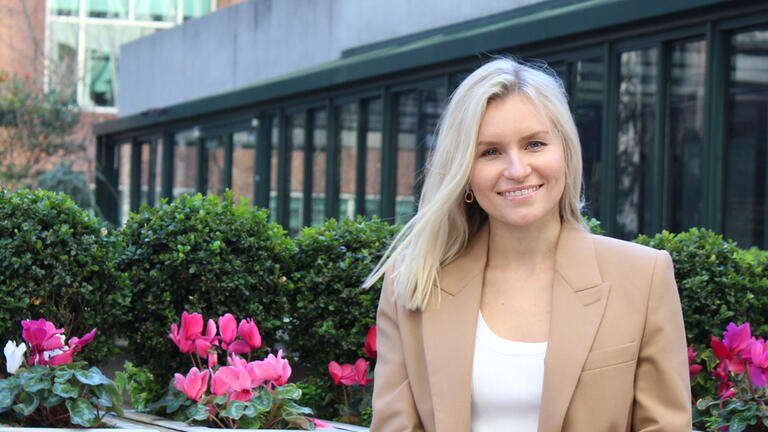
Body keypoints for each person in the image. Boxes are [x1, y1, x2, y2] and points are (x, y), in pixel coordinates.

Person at [363, 58, 691, 431]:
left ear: (565, 151)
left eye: (534, 144)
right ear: (465, 174)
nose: (517, 170)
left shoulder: (643, 277)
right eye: (490, 152)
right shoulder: (412, 281)